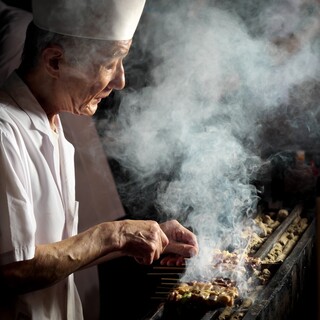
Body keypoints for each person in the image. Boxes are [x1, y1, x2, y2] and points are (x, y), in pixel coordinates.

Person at [0, 0, 199, 319]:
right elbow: (13, 269)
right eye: (110, 63)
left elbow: (53, 250)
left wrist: (134, 239)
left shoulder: (51, 124)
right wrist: (114, 234)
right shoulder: (4, 133)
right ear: (54, 61)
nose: (120, 81)